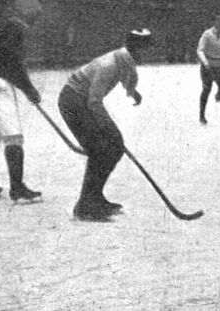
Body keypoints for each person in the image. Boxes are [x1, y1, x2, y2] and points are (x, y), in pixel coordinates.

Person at [58, 29, 154, 221]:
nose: (149, 54)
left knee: (114, 148)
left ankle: (94, 197)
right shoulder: (108, 65)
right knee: (101, 149)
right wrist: (109, 127)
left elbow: (128, 75)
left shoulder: (124, 59)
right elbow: (94, 101)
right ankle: (85, 205)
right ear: (137, 49)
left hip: (84, 102)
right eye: (146, 49)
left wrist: (132, 92)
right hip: (73, 102)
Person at [0, 0, 43, 201]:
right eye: (35, 15)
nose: (35, 20)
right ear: (27, 13)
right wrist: (29, 89)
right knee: (13, 135)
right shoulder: (17, 26)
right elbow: (12, 62)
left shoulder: (6, 25)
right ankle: (17, 189)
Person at [197, 14, 220, 125]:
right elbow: (200, 50)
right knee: (206, 90)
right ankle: (202, 116)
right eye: (219, 21)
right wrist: (205, 63)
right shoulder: (207, 34)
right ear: (214, 22)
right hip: (208, 67)